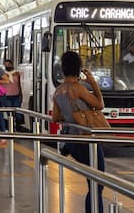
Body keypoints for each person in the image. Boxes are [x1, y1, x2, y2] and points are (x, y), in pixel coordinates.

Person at [52, 51, 105, 213]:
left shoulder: (58, 91)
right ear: (78, 68)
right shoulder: (78, 88)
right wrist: (93, 83)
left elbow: (55, 117)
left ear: (63, 68)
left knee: (93, 181)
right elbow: (99, 104)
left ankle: (67, 147)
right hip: (86, 140)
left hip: (72, 138)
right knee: (97, 182)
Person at [1, 59, 23, 125]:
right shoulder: (3, 75)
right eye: (6, 65)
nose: (7, 66)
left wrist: (21, 94)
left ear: (12, 65)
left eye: (9, 64)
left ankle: (18, 124)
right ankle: (12, 127)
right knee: (10, 113)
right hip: (7, 96)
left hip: (16, 96)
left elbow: (19, 84)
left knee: (17, 112)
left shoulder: (17, 73)